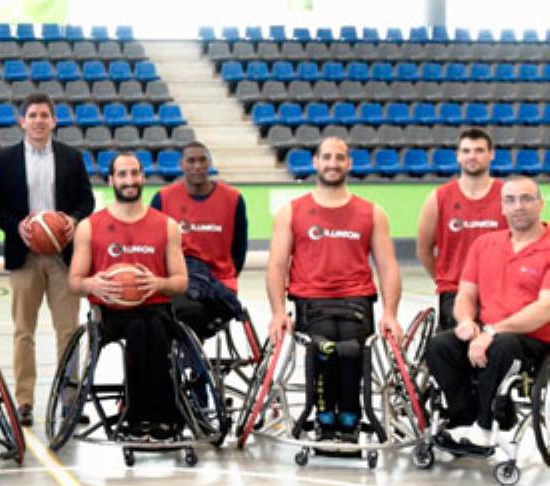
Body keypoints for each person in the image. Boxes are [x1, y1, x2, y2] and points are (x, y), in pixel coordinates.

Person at [266, 136, 403, 443]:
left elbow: (388, 266)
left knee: (352, 348)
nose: (333, 163)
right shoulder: (292, 211)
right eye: (326, 157)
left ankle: (351, 415)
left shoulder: (372, 213)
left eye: (339, 157)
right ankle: (325, 415)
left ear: (349, 163)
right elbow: (276, 264)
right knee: (325, 345)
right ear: (316, 162)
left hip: (356, 301)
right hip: (311, 301)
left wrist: (390, 313)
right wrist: (278, 312)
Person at [0, 91, 94, 426]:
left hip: (63, 256)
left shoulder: (71, 157)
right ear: (22, 121)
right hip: (24, 255)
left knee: (68, 331)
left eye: (45, 115)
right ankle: (25, 401)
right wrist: (16, 226)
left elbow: (87, 201)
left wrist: (73, 220)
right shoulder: (6, 159)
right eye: (32, 115)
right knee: (23, 331)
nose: (39, 121)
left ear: (54, 121)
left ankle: (69, 400)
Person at [424, 175, 550, 451]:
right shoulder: (485, 244)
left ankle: (485, 426)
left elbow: (544, 309)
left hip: (532, 340)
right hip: (490, 334)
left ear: (541, 204)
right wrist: (466, 321)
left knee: (502, 345)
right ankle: (463, 419)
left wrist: (491, 332)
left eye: (527, 199)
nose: (518, 206)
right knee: (440, 346)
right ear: (502, 207)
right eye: (510, 200)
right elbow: (466, 294)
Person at [69, 152, 189, 439]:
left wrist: (159, 282)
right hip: (111, 312)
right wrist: (92, 284)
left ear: (143, 178)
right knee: (137, 328)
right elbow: (74, 281)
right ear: (111, 180)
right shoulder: (89, 226)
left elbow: (181, 282)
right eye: (122, 174)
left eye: (135, 173)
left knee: (153, 327)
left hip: (155, 306)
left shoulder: (167, 226)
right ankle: (137, 414)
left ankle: (164, 415)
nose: (129, 180)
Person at [150, 141, 248, 339]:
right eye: (191, 161)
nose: (197, 166)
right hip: (179, 281)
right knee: (182, 312)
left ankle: (191, 353)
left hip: (220, 283)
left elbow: (239, 248)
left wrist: (225, 274)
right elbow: (153, 247)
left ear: (209, 163)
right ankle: (189, 354)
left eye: (202, 160)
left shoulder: (233, 199)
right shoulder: (163, 198)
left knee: (190, 314)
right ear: (181, 164)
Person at [416, 127, 505, 330]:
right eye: (466, 151)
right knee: (456, 343)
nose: (472, 156)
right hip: (454, 291)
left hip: (499, 291)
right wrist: (445, 280)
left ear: (491, 154)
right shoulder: (438, 198)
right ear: (458, 155)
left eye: (479, 150)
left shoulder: (507, 196)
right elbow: (424, 250)